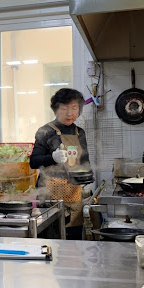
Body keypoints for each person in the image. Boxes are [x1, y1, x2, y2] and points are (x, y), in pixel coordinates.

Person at [29, 88, 92, 240]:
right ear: (56, 109)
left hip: (74, 194)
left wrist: (87, 177)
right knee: (52, 239)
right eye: (64, 108)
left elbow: (85, 161)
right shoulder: (45, 131)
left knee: (73, 239)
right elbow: (34, 161)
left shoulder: (79, 132)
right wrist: (52, 158)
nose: (69, 113)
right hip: (49, 196)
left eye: (74, 108)